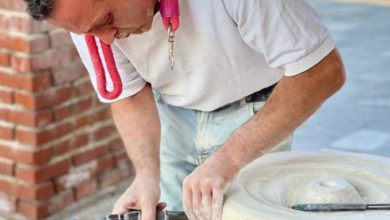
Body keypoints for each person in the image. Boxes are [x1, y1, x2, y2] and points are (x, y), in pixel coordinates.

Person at [23, 0, 346, 219]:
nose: (105, 40)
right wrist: (147, 175)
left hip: (255, 114)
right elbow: (128, 93)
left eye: (108, 19)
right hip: (172, 117)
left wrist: (229, 160)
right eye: (88, 31)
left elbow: (321, 71)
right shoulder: (85, 17)